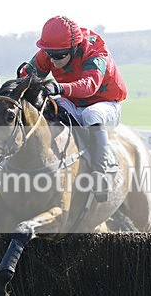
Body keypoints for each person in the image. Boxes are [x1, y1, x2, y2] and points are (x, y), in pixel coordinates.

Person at [23, 15, 128, 201]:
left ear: (74, 48)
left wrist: (58, 87)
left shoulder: (95, 52)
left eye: (59, 56)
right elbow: (25, 76)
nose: (53, 60)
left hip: (105, 104)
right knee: (52, 107)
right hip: (73, 102)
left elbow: (89, 86)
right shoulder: (51, 51)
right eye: (49, 54)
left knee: (91, 114)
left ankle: (101, 172)